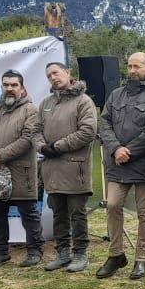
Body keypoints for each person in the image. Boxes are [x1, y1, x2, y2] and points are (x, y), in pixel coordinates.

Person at [96, 52, 145, 280]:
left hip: (144, 164)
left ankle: (141, 259)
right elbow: (104, 123)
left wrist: (129, 151)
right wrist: (116, 149)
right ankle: (116, 254)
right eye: (129, 66)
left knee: (144, 213)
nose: (133, 71)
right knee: (112, 205)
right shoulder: (116, 94)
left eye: (137, 66)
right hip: (117, 163)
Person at [0, 70, 43, 268]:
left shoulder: (31, 110)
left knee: (29, 214)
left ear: (22, 87)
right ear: (1, 87)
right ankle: (1, 252)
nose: (10, 88)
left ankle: (35, 251)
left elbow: (27, 138)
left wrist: (0, 155)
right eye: (6, 85)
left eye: (14, 85)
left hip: (22, 172)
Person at [37, 61, 98, 273]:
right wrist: (41, 147)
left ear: (67, 72)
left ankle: (80, 254)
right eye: (49, 76)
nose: (53, 78)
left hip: (75, 169)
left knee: (77, 214)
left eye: (56, 72)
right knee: (58, 214)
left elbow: (87, 132)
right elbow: (35, 131)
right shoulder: (45, 103)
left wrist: (57, 146)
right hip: (51, 169)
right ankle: (63, 253)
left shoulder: (84, 101)